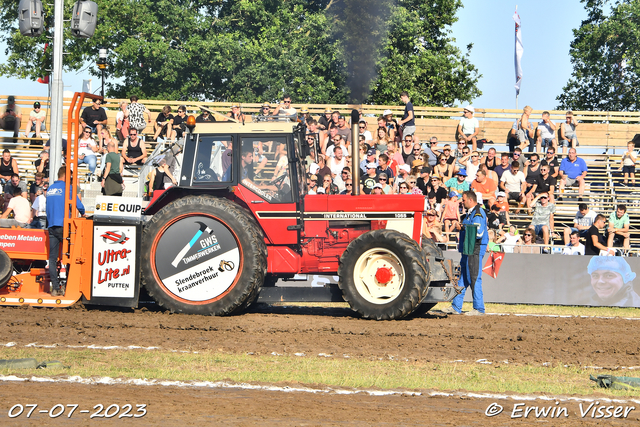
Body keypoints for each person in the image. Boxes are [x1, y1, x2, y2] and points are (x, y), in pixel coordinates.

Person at [442, 191, 488, 316]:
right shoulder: (470, 214)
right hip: (467, 250)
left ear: (470, 200)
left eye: (463, 200)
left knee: (474, 278)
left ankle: (479, 308)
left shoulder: (478, 213)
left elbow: (479, 233)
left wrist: (463, 227)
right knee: (462, 278)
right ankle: (456, 307)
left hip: (474, 249)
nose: (461, 202)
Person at [47, 166, 85, 297]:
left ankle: (55, 288)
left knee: (52, 259)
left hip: (51, 225)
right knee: (71, 256)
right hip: (64, 226)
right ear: (67, 176)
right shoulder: (67, 188)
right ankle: (69, 286)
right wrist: (83, 213)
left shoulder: (50, 189)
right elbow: (78, 204)